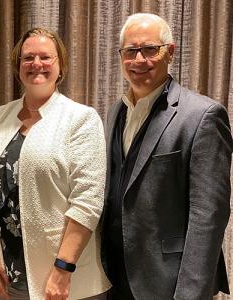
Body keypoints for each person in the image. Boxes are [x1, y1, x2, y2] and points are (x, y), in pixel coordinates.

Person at [0, 28, 111, 300]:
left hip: (62, 283)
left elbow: (87, 201)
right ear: (18, 64)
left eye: (46, 57)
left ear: (61, 66)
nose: (36, 64)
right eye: (27, 57)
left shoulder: (81, 119)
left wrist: (62, 269)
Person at [101, 13, 232, 299]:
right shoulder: (115, 112)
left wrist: (189, 293)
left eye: (150, 49)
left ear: (169, 53)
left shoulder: (202, 116)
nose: (139, 60)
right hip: (114, 277)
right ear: (121, 56)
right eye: (131, 51)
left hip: (169, 282)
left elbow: (208, 215)